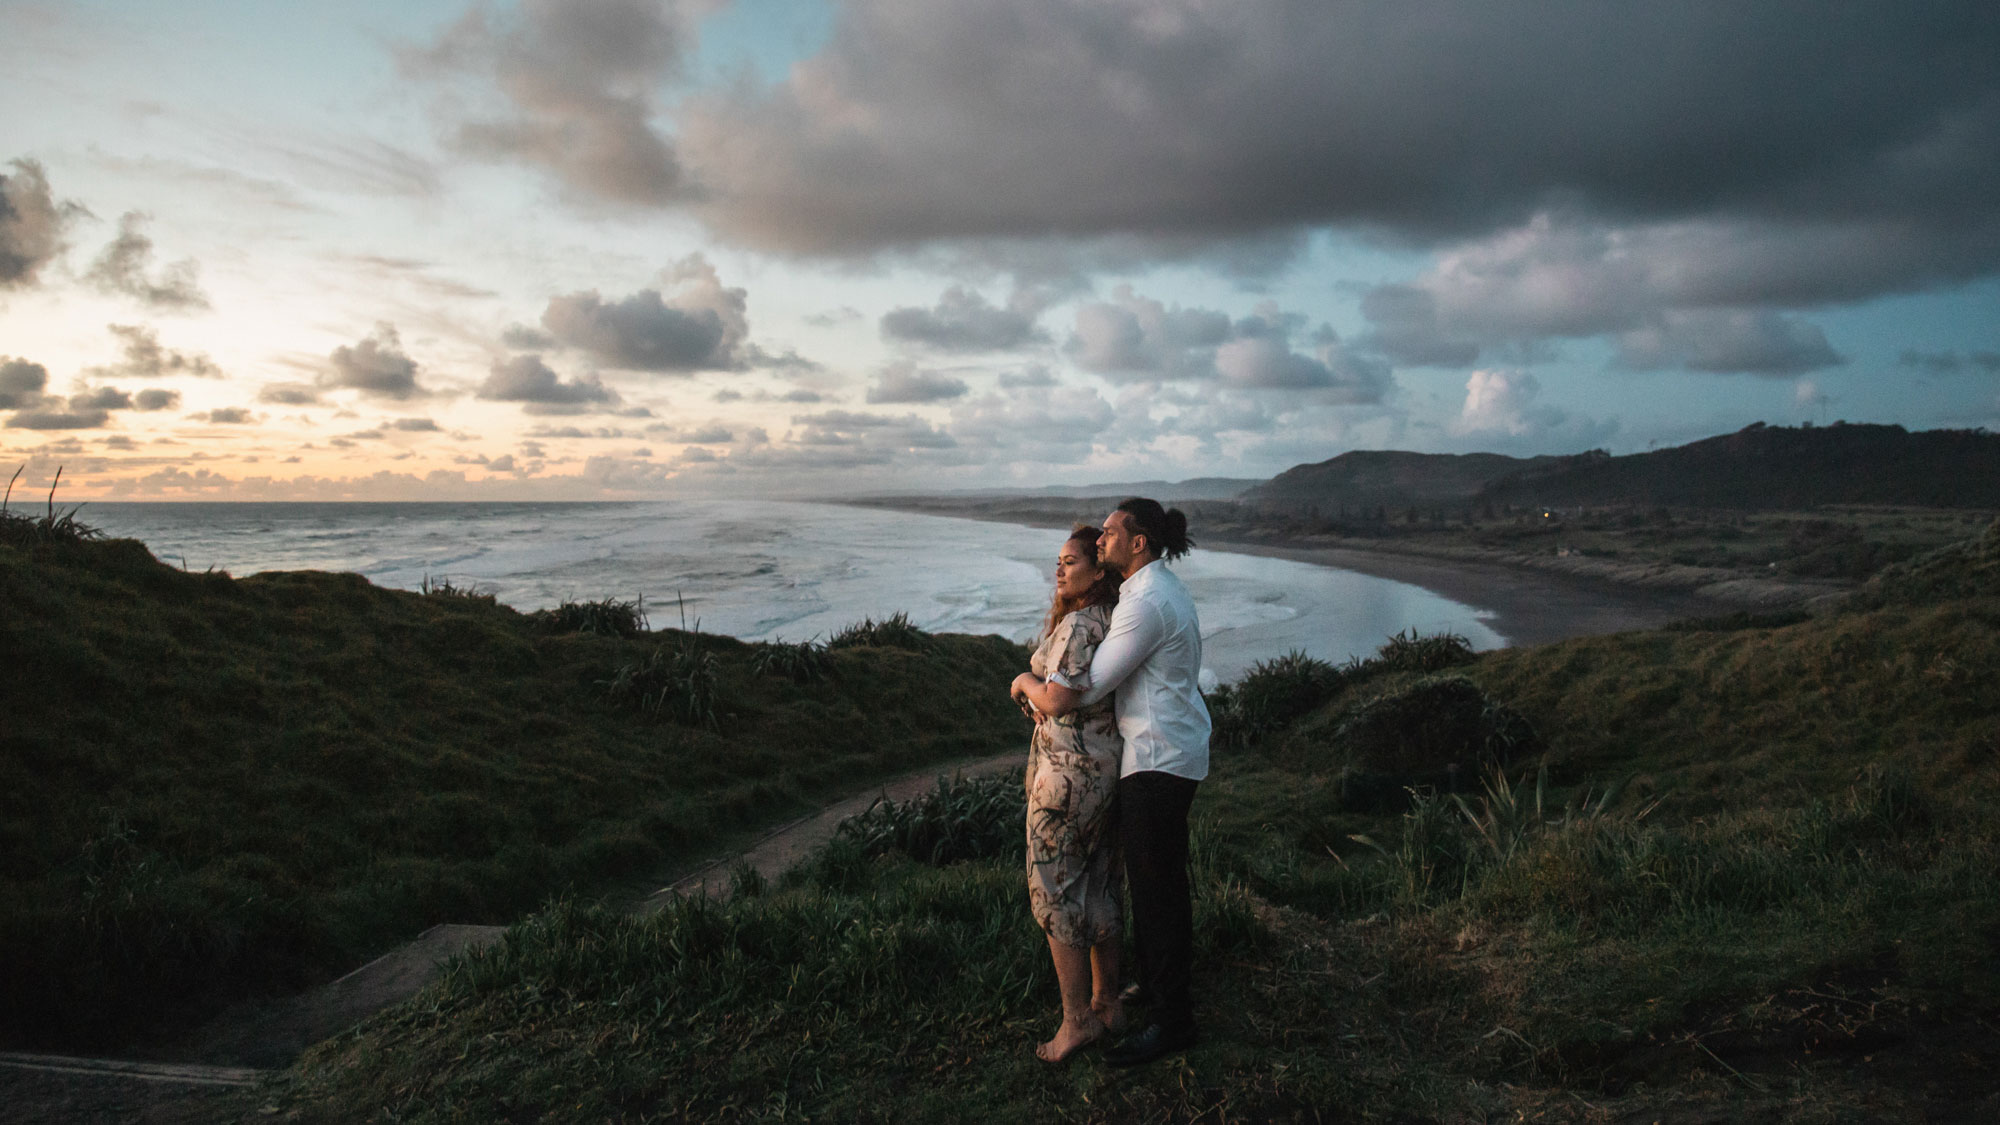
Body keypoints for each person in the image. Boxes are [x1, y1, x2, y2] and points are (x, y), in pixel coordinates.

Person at [1013, 497, 1210, 1067]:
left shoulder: (1144, 602)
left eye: (1110, 533)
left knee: (1157, 894)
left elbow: (1083, 688)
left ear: (1139, 541)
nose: (1101, 540)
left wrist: (1031, 682)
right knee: (1144, 883)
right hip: (1161, 751)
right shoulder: (1150, 592)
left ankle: (1173, 1022)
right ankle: (1146, 993)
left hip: (1158, 757)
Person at [1014, 525, 1127, 1062]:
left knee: (1055, 889)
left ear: (1098, 571)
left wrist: (1022, 682)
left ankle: (1077, 1021)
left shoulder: (1082, 623)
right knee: (1099, 880)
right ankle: (1109, 1002)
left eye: (1071, 562)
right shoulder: (1112, 620)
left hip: (1067, 778)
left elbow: (1058, 699)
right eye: (1057, 562)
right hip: (1103, 772)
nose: (1059, 570)